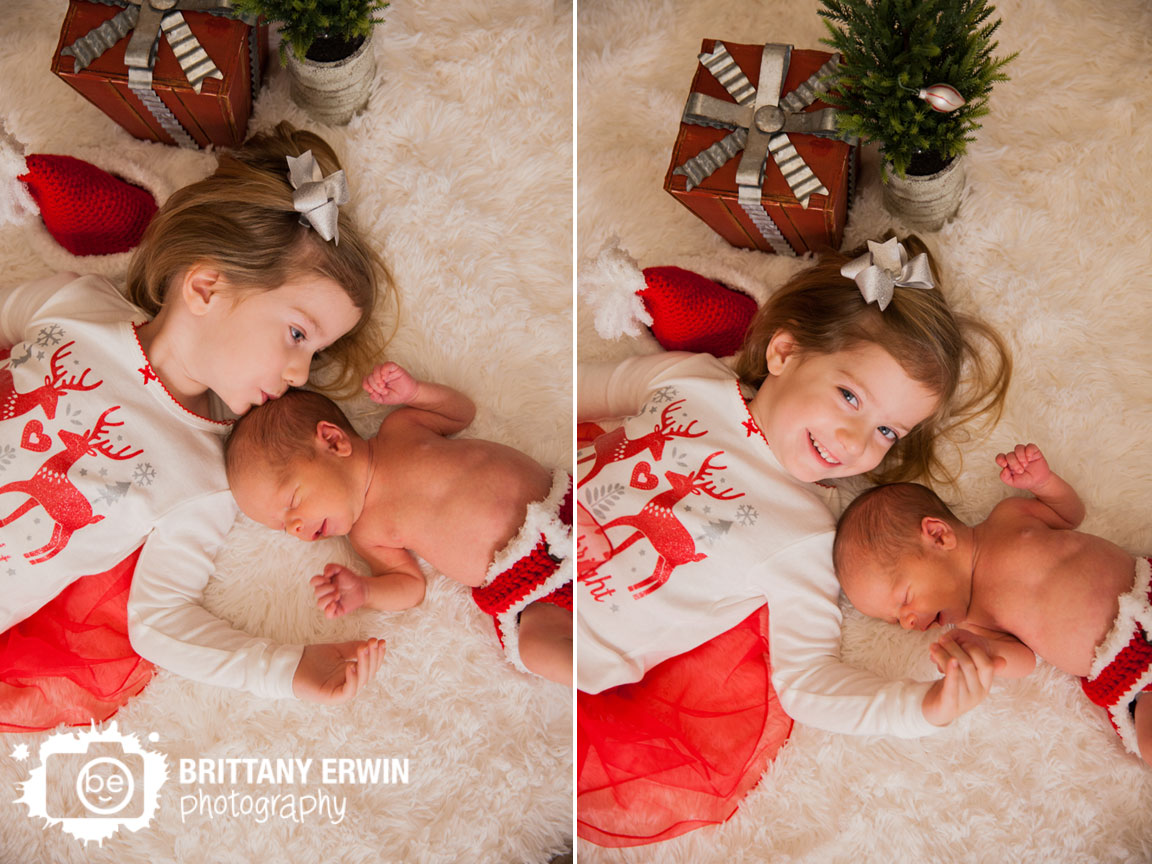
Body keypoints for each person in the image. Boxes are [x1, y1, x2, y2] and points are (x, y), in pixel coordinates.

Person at [575, 236, 1012, 846]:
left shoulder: (808, 538)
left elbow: (808, 683)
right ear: (784, 351)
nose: (857, 440)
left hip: (578, 641)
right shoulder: (691, 378)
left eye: (886, 429)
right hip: (531, 535)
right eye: (850, 397)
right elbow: (571, 391)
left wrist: (921, 709)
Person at [0, 122, 389, 731]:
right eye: (296, 334)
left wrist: (285, 670)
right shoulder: (74, 304)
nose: (298, 373)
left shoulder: (207, 473)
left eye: (313, 354)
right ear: (206, 287)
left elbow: (159, 621)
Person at [224, 362, 572, 685]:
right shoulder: (366, 534)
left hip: (564, 511)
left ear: (333, 441)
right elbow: (410, 586)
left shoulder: (401, 429)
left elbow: (461, 413)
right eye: (283, 527)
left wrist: (415, 393)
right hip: (527, 585)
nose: (295, 529)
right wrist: (365, 591)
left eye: (292, 504)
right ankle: (610, 674)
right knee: (536, 650)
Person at [833, 442, 1152, 766]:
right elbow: (1025, 660)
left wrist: (1043, 483)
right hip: (1128, 668)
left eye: (904, 600)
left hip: (1146, 589)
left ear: (938, 535)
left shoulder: (1009, 518)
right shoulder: (976, 623)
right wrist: (981, 654)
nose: (908, 622)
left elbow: (1069, 514)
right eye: (895, 621)